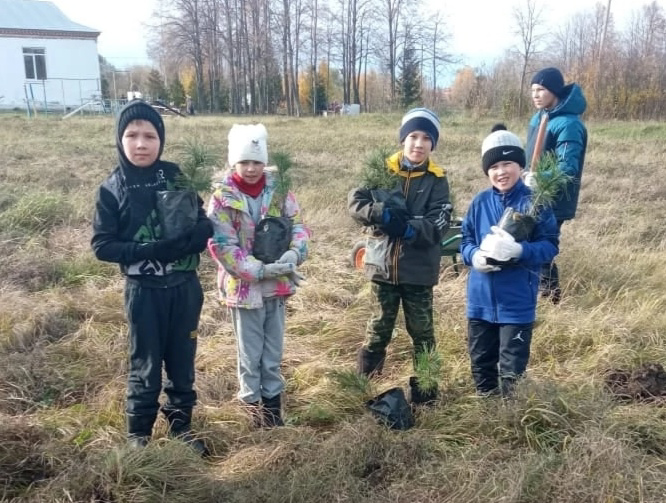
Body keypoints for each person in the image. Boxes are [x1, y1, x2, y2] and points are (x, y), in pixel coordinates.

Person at [91, 100, 213, 455]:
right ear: (120, 139)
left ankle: (181, 429)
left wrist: (200, 233)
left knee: (182, 359)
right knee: (145, 362)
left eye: (149, 135)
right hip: (144, 292)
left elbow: (201, 214)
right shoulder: (112, 189)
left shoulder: (175, 175)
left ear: (161, 139)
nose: (141, 143)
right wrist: (150, 251)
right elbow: (103, 246)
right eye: (132, 135)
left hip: (185, 289)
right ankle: (138, 437)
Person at [348, 108, 453, 405]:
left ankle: (426, 394)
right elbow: (355, 204)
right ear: (403, 139)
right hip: (381, 269)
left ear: (433, 145)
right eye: (413, 136)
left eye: (426, 139)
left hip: (418, 272)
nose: (418, 144)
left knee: (422, 331)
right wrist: (379, 213)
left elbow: (438, 224)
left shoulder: (437, 181)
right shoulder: (383, 170)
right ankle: (365, 387)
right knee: (378, 327)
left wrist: (408, 229)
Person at [207, 123, 309, 428]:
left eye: (256, 161)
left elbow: (299, 227)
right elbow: (223, 246)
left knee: (272, 354)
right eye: (244, 161)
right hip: (244, 291)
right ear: (233, 162)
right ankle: (253, 414)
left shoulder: (279, 193)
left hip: (276, 288)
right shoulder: (222, 200)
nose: (251, 168)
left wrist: (295, 253)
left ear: (265, 161)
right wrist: (260, 270)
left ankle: (273, 415)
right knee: (250, 356)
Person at [461, 124, 559, 396]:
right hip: (480, 302)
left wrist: (520, 251)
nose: (501, 172)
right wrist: (475, 257)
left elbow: (550, 246)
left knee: (512, 367)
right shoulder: (479, 203)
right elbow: (465, 241)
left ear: (520, 166)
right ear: (486, 171)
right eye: (494, 166)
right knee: (481, 361)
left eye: (508, 163)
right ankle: (486, 409)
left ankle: (509, 416)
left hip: (517, 303)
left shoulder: (534, 203)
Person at [525, 67, 587, 304]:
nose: (535, 95)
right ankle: (535, 293)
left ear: (554, 91)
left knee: (542, 247)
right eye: (532, 90)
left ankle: (549, 298)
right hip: (532, 194)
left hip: (554, 199)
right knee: (528, 243)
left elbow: (568, 167)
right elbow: (531, 154)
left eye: (541, 89)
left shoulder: (568, 124)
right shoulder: (539, 117)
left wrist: (540, 177)